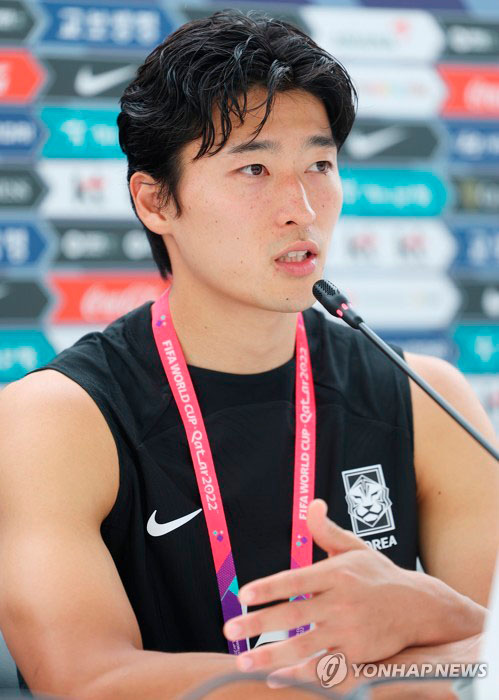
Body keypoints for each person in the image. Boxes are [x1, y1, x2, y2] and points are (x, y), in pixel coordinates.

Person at [0, 9, 497, 700]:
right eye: (255, 168)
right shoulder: (56, 418)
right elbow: (87, 679)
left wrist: (442, 619)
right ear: (155, 201)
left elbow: (488, 654)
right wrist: (379, 671)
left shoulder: (422, 396)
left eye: (319, 165)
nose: (302, 209)